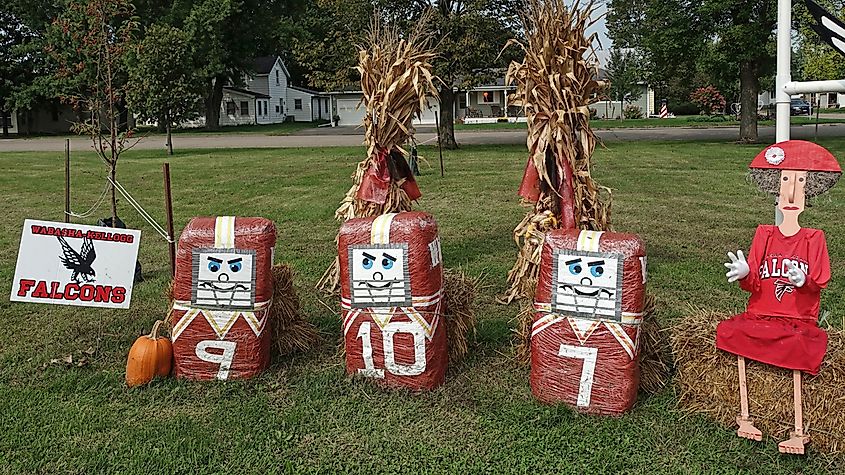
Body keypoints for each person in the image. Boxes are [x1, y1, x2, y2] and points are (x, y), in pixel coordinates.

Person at [718, 140, 840, 455]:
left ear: (809, 190)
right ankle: (745, 416)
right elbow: (753, 285)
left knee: (798, 347)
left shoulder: (814, 238)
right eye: (786, 180)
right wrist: (746, 273)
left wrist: (805, 281)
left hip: (797, 318)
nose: (791, 193)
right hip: (760, 313)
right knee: (736, 333)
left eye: (800, 181)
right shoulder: (764, 234)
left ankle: (798, 431)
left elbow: (820, 282)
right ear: (776, 187)